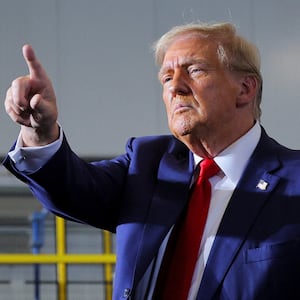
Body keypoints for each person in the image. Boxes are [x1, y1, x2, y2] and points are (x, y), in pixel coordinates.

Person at [3, 21, 300, 300]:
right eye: (167, 78)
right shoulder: (148, 163)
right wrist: (38, 131)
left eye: (194, 71)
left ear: (245, 89)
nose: (175, 87)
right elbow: (72, 188)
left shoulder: (293, 179)